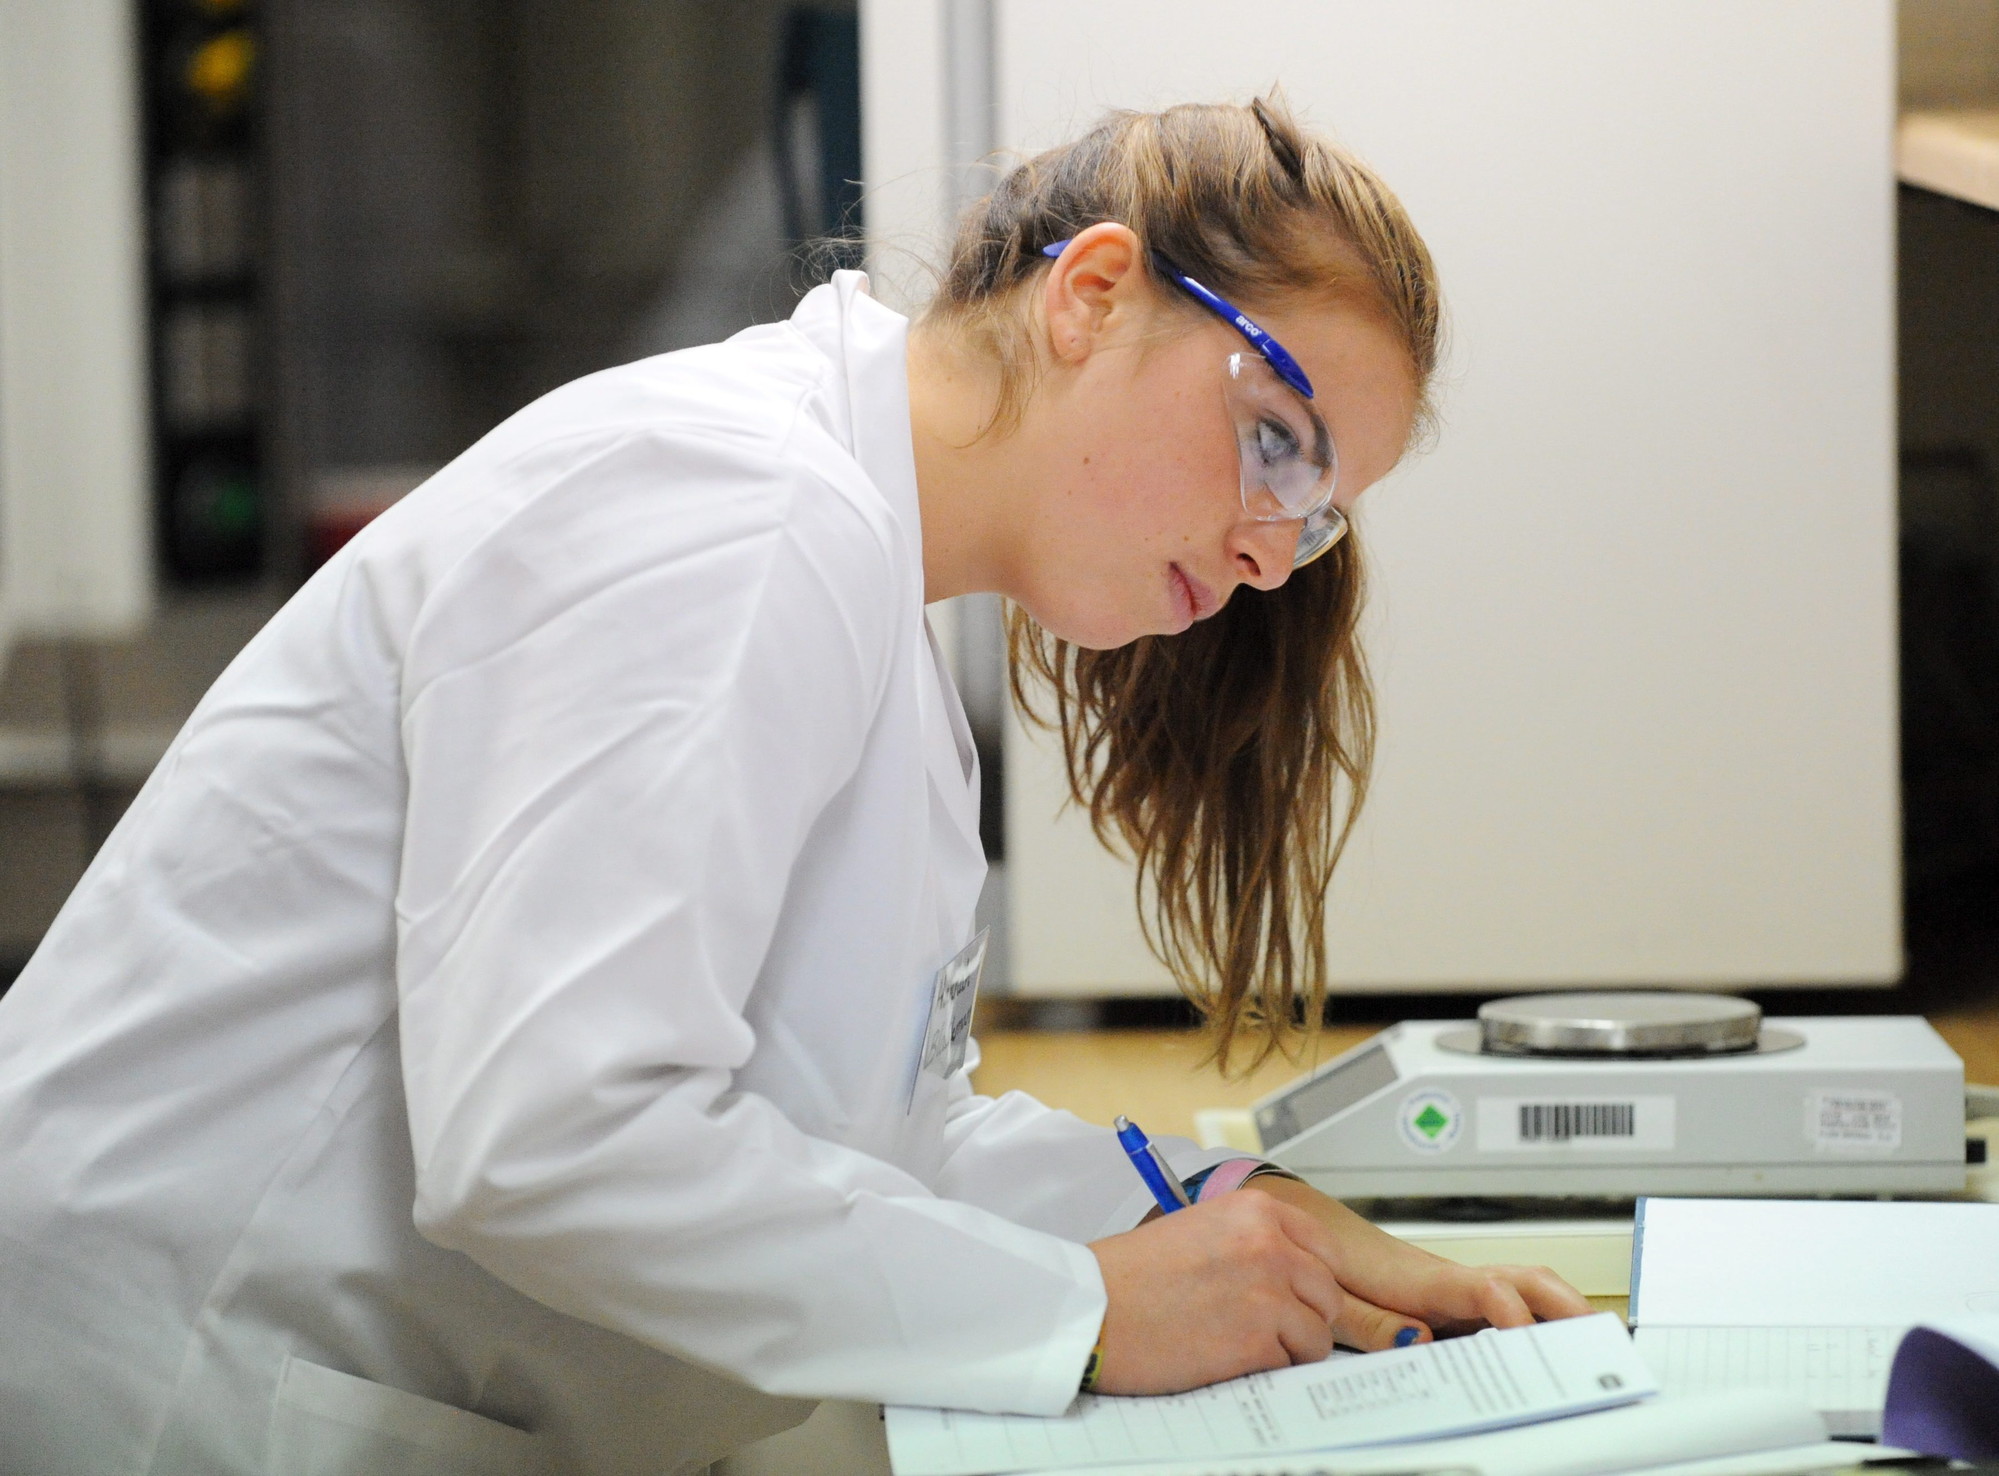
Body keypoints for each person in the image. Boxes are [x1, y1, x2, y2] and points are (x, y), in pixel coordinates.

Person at [0, 98, 1590, 1475]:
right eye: (1276, 446)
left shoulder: (871, 608)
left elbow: (876, 1133)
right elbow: (553, 1138)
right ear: (1094, 295)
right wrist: (1095, 1310)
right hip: (171, 1398)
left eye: (1316, 517)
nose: (1267, 552)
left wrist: (1237, 1214)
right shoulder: (735, 514)